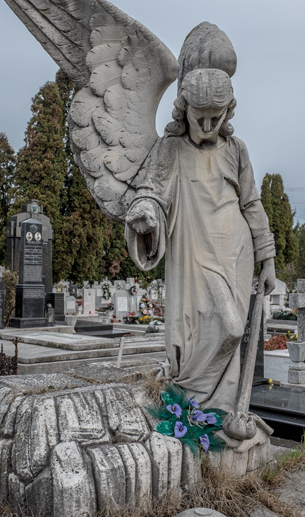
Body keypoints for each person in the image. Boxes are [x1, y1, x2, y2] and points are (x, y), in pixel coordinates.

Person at [125, 68, 276, 413]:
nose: (207, 126)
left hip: (236, 253)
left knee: (229, 333)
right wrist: (145, 212)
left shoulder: (236, 150)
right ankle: (190, 400)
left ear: (227, 113)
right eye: (200, 117)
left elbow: (251, 204)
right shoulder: (171, 149)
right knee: (226, 328)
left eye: (215, 118)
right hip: (194, 251)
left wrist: (267, 259)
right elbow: (151, 192)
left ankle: (216, 415)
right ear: (184, 110)